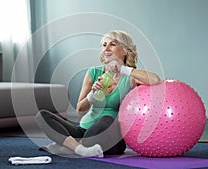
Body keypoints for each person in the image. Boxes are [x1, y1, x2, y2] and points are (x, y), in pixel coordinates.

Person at [35, 30, 161, 158]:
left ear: (125, 50)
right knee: (42, 116)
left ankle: (68, 145)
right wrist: (92, 95)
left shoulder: (130, 77)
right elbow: (80, 110)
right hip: (84, 130)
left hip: (110, 134)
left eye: (112, 44)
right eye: (104, 44)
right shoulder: (93, 73)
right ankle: (79, 148)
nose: (106, 48)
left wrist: (122, 69)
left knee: (106, 120)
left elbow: (155, 80)